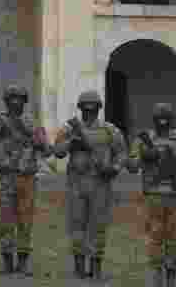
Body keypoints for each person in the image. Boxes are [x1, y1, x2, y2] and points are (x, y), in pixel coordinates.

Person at [0, 84, 52, 276]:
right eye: (11, 98)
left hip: (26, 178)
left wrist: (34, 138)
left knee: (25, 220)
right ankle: (7, 261)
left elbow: (46, 149)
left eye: (19, 99)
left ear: (24, 102)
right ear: (6, 101)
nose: (15, 102)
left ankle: (23, 262)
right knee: (5, 220)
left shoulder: (31, 123)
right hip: (4, 177)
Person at [52, 90, 127, 280]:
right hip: (76, 183)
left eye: (92, 109)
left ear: (99, 109)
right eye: (85, 109)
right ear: (80, 109)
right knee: (76, 224)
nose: (89, 112)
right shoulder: (70, 128)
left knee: (98, 225)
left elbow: (121, 153)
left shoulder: (109, 130)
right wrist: (71, 143)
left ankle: (95, 266)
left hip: (100, 183)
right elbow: (57, 151)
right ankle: (78, 266)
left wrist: (114, 168)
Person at [125, 103, 176, 287]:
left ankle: (171, 278)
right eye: (159, 118)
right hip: (153, 196)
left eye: (166, 118)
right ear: (154, 120)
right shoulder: (144, 139)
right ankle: (156, 277)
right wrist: (143, 156)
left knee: (173, 238)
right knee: (155, 237)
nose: (162, 122)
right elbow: (131, 166)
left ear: (172, 119)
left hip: (175, 196)